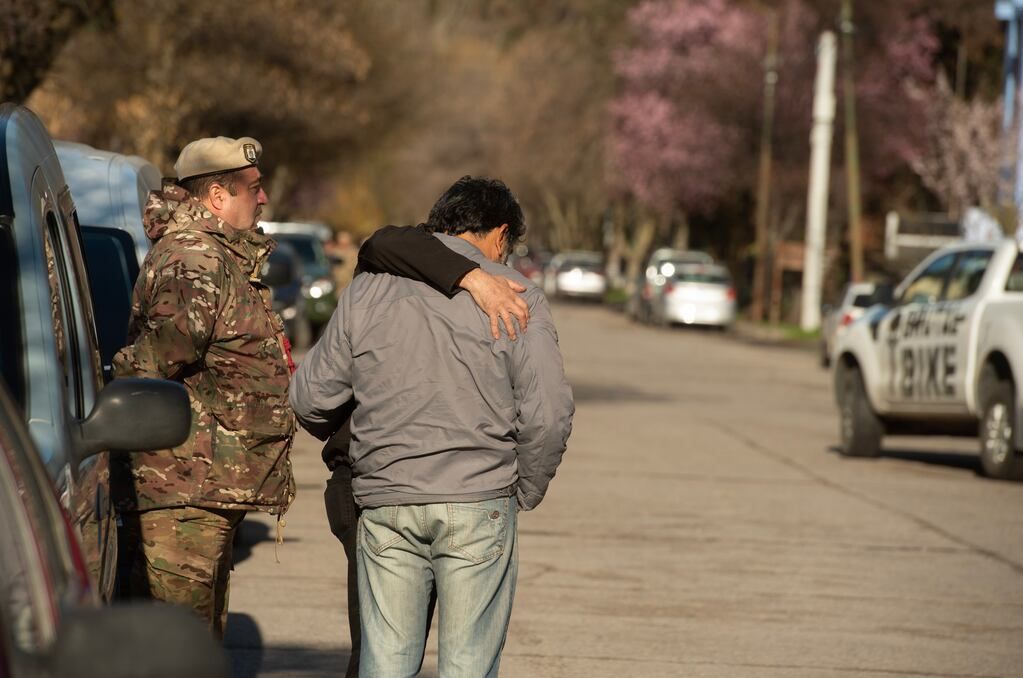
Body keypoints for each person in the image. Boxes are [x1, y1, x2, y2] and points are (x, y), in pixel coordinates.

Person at [291, 176, 574, 677]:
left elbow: (310, 398)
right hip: (478, 498)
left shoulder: (368, 289)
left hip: (384, 501)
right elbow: (547, 414)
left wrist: (370, 443)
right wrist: (520, 489)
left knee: (386, 665)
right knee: (467, 666)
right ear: (500, 235)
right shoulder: (516, 295)